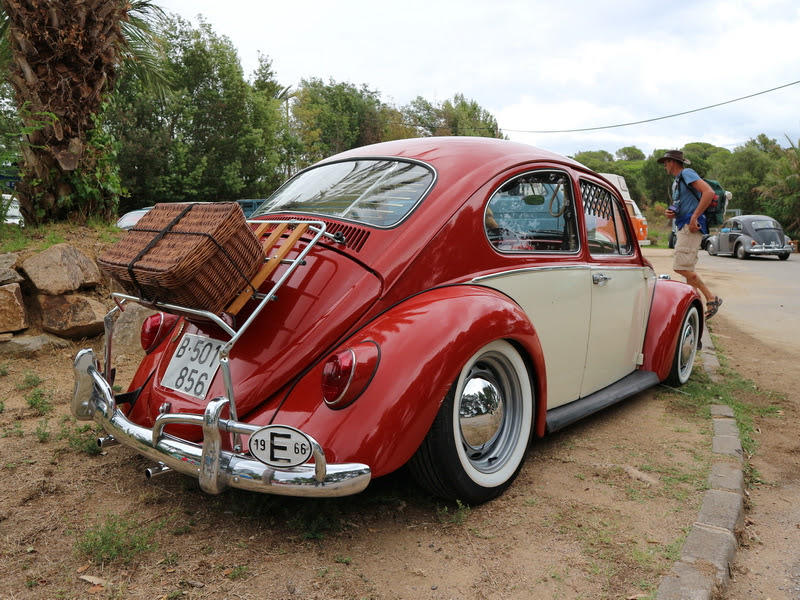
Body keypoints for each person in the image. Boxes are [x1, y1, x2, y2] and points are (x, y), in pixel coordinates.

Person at [658, 150, 723, 319]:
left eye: (665, 162)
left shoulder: (687, 173)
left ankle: (711, 297)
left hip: (690, 226)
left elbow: (708, 192)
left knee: (680, 266)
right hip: (683, 224)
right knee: (687, 270)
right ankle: (694, 311)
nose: (664, 166)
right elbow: (683, 203)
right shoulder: (678, 180)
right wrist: (671, 213)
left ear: (672, 162)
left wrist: (694, 216)